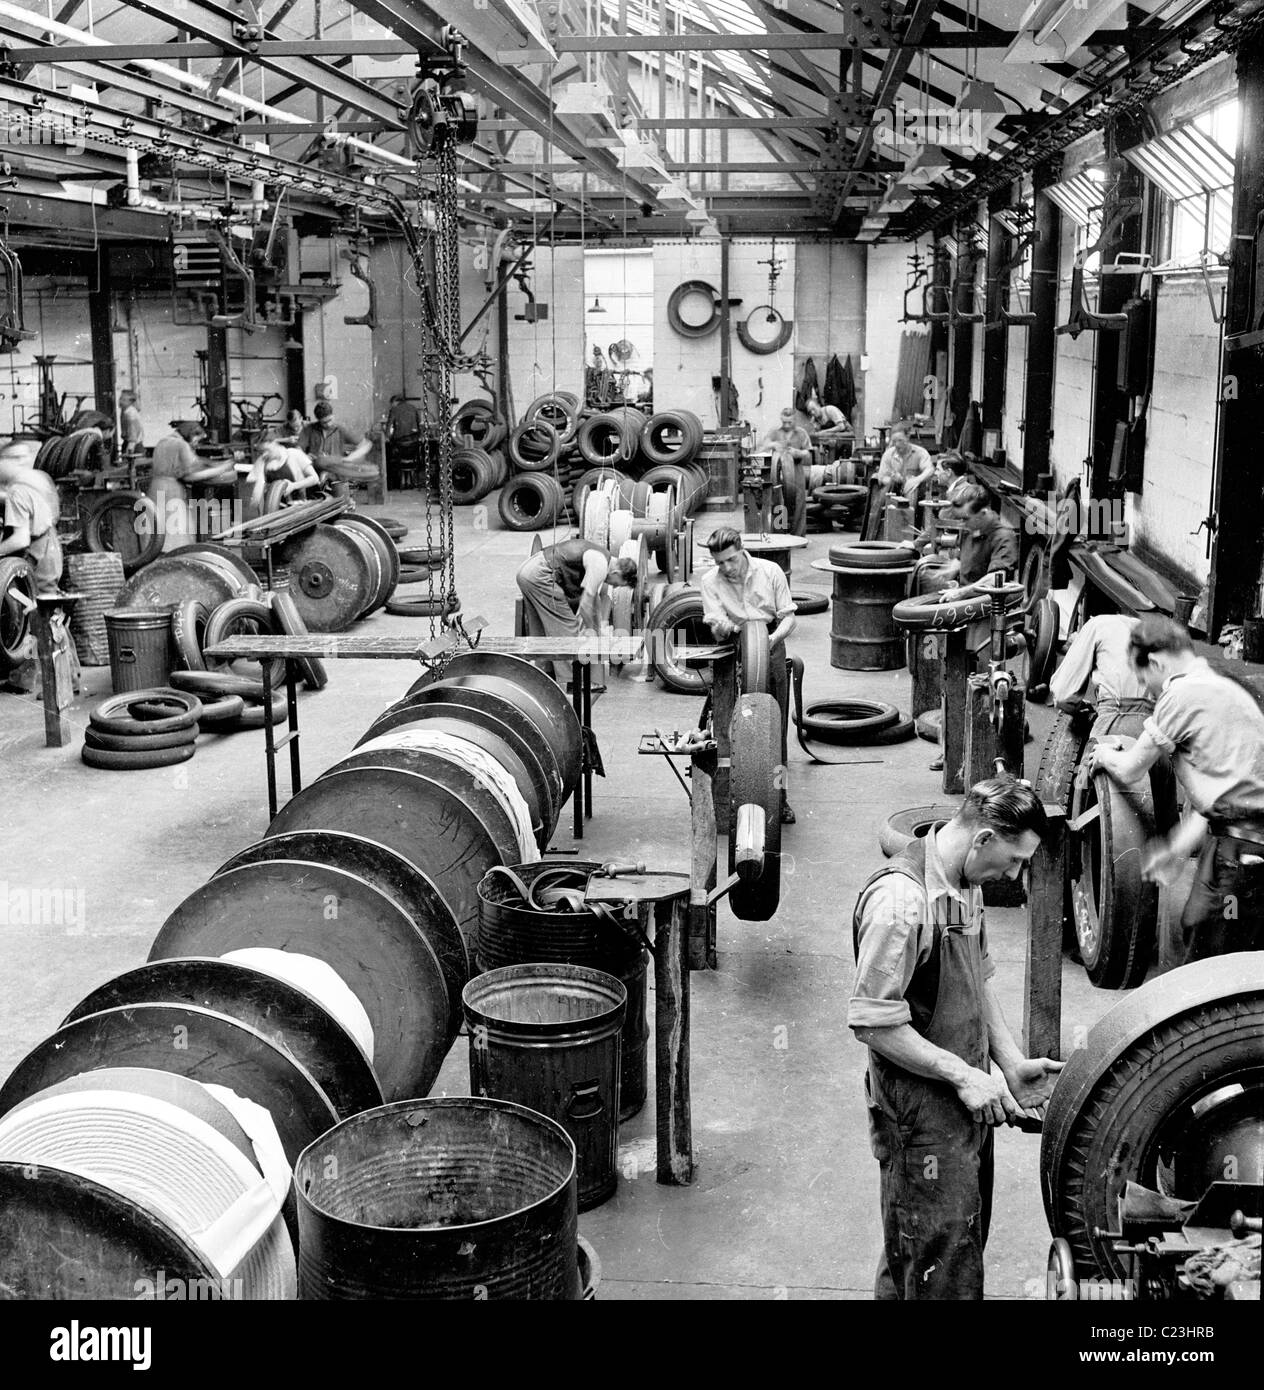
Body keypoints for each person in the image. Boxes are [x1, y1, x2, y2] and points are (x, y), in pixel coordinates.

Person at [850, 778, 1063, 1300]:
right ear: (983, 838)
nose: (1014, 875)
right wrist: (964, 1074)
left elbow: (976, 976)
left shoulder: (963, 885)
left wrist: (1009, 1063)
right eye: (1013, 860)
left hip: (961, 1102)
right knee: (936, 1257)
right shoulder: (901, 901)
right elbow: (873, 1022)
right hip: (919, 1114)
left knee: (936, 1247)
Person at [1087, 615, 1264, 963]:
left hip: (1241, 858)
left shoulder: (1180, 694)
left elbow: (1132, 768)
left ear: (1155, 663)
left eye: (1144, 681)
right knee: (1217, 935)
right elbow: (1217, 804)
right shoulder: (1224, 688)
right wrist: (1173, 850)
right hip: (1241, 845)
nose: (1149, 692)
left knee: (1211, 948)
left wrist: (1105, 755)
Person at [698, 526, 798, 824]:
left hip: (770, 643)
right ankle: (732, 799)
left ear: (741, 549)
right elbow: (715, 623)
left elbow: (789, 618)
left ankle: (780, 800)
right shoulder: (709, 581)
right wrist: (721, 627)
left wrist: (769, 642)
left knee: (775, 731)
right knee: (729, 727)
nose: (726, 568)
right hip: (732, 648)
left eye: (731, 559)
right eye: (719, 563)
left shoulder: (770, 571)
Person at [515, 538, 637, 683]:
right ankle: (570, 683)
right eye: (617, 584)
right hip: (540, 574)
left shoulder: (602, 556)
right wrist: (592, 632)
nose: (614, 587)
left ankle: (545, 675)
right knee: (567, 631)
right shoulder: (600, 564)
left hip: (528, 570)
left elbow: (592, 601)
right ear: (616, 572)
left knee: (542, 629)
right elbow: (585, 605)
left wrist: (597, 627)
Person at [146, 420, 224, 552]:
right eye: (196, 439)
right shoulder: (181, 445)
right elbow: (191, 472)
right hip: (171, 491)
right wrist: (220, 468)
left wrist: (209, 464)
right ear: (191, 434)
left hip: (156, 487)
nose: (195, 443)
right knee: (176, 533)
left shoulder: (163, 441)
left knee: (158, 531)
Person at [0, 440, 63, 593]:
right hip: (51, 555)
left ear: (12, 461)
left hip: (35, 563)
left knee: (28, 610)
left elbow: (20, 539)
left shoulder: (17, 491)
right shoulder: (39, 479)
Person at [934, 483, 1018, 586]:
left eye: (965, 519)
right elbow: (960, 562)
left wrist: (961, 593)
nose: (962, 524)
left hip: (983, 599)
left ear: (982, 514)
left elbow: (994, 580)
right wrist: (940, 575)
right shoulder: (970, 530)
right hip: (963, 594)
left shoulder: (1004, 538)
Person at [760, 406, 813, 537]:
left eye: (790, 422)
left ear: (794, 420)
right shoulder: (775, 432)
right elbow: (764, 444)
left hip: (796, 471)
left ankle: (798, 537)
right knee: (779, 501)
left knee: (799, 503)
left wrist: (798, 453)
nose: (787, 425)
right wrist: (774, 445)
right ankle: (779, 536)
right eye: (784, 422)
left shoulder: (801, 433)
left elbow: (808, 453)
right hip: (778, 472)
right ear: (781, 419)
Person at [297, 401, 372, 491]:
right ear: (318, 420)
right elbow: (298, 448)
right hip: (314, 473)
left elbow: (366, 444)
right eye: (324, 422)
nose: (328, 424)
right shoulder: (309, 429)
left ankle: (327, 476)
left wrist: (350, 458)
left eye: (330, 420)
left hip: (336, 475)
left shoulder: (340, 429)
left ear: (333, 415)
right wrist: (304, 456)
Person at [245, 440, 322, 515]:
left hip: (302, 504)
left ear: (274, 444)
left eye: (267, 450)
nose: (264, 454)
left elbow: (315, 478)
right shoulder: (262, 461)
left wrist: (294, 486)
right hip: (276, 508)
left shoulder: (294, 454)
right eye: (261, 452)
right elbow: (257, 491)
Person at [876, 423, 932, 498]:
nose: (897, 444)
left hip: (915, 494)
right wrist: (892, 480)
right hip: (893, 492)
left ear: (908, 437)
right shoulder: (888, 454)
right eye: (894, 441)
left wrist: (915, 480)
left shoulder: (920, 453)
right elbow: (881, 478)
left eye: (900, 440)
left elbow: (930, 470)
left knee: (912, 491)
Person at [384, 394, 422, 490]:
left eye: (391, 404)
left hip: (400, 444)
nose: (391, 406)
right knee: (411, 456)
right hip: (413, 444)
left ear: (395, 402)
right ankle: (409, 480)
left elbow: (388, 427)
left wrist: (387, 437)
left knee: (391, 455)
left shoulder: (394, 410)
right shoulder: (413, 408)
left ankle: (400, 481)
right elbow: (420, 424)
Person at [118, 391, 144, 457]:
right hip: (128, 443)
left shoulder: (131, 414)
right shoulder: (125, 411)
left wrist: (129, 449)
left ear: (130, 402)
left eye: (123, 400)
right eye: (120, 399)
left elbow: (133, 434)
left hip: (133, 445)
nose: (120, 401)